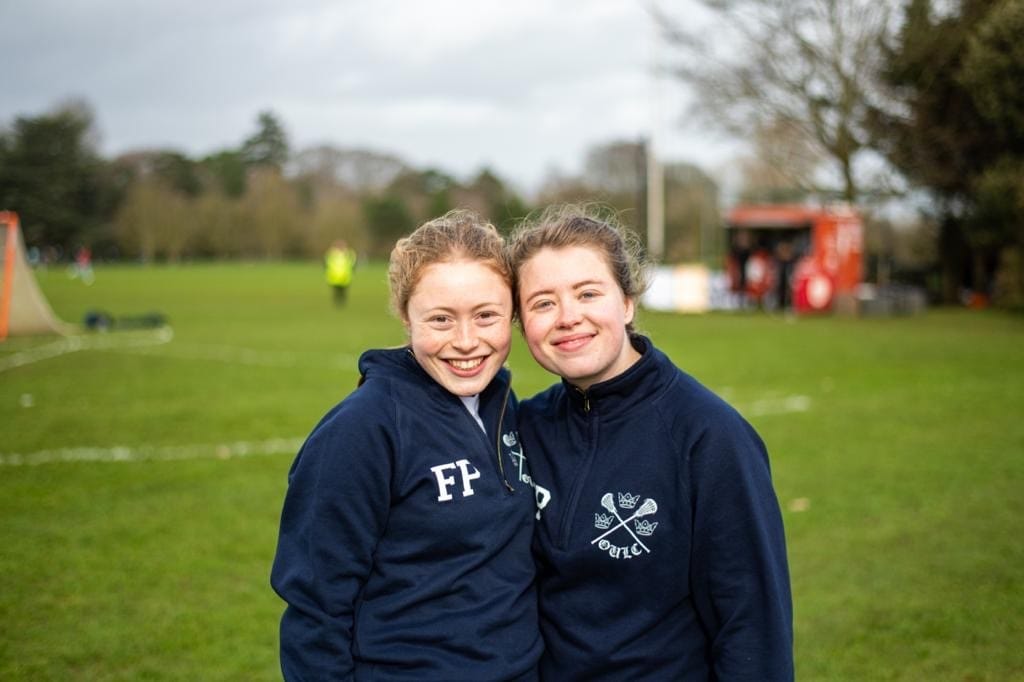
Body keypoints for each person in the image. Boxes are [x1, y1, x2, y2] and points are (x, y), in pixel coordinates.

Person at [507, 205, 793, 681]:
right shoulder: (524, 430)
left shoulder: (710, 437)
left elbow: (753, 628)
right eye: (542, 303)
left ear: (627, 302)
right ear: (522, 323)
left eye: (587, 293)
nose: (568, 317)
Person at [272, 210, 542, 680]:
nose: (465, 341)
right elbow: (316, 609)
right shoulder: (362, 430)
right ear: (405, 316)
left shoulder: (501, 405)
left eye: (486, 316)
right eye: (440, 319)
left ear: (512, 315)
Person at [325, 239, 357, 305]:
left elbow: (353, 261)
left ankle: (341, 302)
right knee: (337, 291)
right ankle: (337, 302)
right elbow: (326, 262)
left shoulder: (347, 253)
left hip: (344, 276)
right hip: (335, 276)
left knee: (343, 291)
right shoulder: (333, 253)